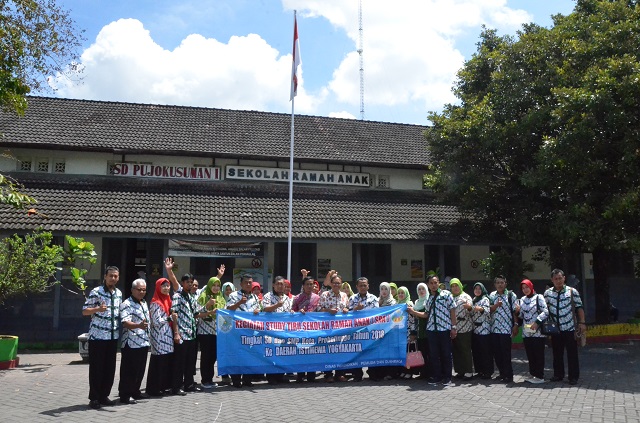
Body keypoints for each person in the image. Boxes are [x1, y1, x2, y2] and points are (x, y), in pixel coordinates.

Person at [82, 265, 122, 409]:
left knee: (109, 368)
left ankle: (104, 395)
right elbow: (85, 311)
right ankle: (94, 398)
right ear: (105, 276)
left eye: (115, 276)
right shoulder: (96, 292)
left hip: (112, 336)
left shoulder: (118, 293)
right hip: (98, 337)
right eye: (110, 275)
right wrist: (98, 309)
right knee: (96, 369)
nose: (113, 278)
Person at [408, 275, 457, 385]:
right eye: (431, 283)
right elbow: (426, 314)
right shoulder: (429, 298)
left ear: (438, 283)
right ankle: (437, 376)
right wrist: (413, 312)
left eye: (435, 282)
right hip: (431, 330)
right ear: (428, 285)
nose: (434, 285)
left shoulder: (446, 295)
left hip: (444, 329)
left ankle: (447, 377)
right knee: (434, 355)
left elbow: (452, 310)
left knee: (446, 354)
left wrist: (454, 327)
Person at [544, 269, 586, 385]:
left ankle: (573, 377)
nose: (558, 281)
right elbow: (544, 309)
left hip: (569, 327)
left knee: (572, 353)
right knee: (557, 353)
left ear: (564, 278)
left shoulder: (572, 292)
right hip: (555, 328)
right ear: (552, 280)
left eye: (560, 278)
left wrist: (582, 323)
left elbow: (579, 307)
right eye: (555, 279)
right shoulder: (548, 293)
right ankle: (558, 374)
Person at [118, 278, 150, 404]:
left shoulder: (143, 303)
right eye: (139, 290)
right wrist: (138, 325)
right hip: (131, 343)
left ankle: (135, 391)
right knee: (129, 371)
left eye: (144, 290)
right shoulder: (126, 304)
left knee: (140, 369)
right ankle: (125, 395)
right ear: (132, 290)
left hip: (143, 342)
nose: (142, 292)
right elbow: (125, 323)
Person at [226, 274, 261, 388]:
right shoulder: (234, 295)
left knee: (249, 355)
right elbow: (228, 309)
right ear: (240, 284)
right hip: (236, 332)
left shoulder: (255, 297)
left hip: (250, 331)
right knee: (237, 355)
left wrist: (257, 310)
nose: (248, 284)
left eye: (250, 282)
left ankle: (247, 379)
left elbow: (259, 309)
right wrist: (239, 303)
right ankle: (236, 380)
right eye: (246, 282)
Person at [196, 266, 226, 389]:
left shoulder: (221, 297)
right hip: (204, 332)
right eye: (214, 285)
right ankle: (205, 380)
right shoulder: (203, 295)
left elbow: (226, 312)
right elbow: (197, 313)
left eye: (218, 286)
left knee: (213, 356)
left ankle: (210, 379)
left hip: (216, 332)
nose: (216, 288)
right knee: (206, 356)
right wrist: (208, 307)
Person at [146, 274, 174, 397]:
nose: (166, 288)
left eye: (168, 286)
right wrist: (169, 318)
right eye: (163, 286)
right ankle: (154, 388)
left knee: (166, 362)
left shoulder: (169, 301)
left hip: (168, 336)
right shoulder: (155, 302)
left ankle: (163, 386)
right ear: (158, 287)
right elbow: (156, 321)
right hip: (159, 336)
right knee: (158, 362)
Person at [261, 276, 293, 384]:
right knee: (272, 353)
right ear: (273, 285)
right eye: (278, 284)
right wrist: (277, 305)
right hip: (271, 330)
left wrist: (292, 312)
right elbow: (265, 309)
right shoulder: (267, 296)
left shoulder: (287, 298)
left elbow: (288, 311)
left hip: (284, 331)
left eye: (282, 284)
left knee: (282, 353)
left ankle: (280, 376)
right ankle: (271, 377)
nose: (280, 286)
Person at [319, 273, 350, 382]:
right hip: (328, 328)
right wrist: (328, 311)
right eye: (334, 283)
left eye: (338, 283)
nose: (336, 285)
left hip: (341, 328)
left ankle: (340, 373)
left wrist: (346, 310)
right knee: (328, 351)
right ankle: (328, 374)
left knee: (340, 351)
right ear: (331, 284)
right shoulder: (325, 295)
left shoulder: (344, 295)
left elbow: (347, 308)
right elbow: (319, 310)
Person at [347, 277, 379, 381]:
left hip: (370, 330)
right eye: (361, 285)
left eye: (365, 285)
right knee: (357, 351)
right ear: (357, 287)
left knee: (371, 351)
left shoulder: (374, 298)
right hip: (357, 330)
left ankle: (373, 373)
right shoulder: (352, 298)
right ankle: (357, 374)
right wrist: (356, 309)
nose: (363, 287)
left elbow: (377, 314)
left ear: (368, 286)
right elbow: (347, 315)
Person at [489, 275, 519, 383]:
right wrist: (496, 305)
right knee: (497, 353)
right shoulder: (492, 295)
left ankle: (508, 375)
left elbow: (515, 311)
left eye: (502, 282)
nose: (500, 284)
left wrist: (515, 324)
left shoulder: (511, 295)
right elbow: (489, 310)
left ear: (505, 284)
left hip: (506, 329)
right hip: (494, 328)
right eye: (498, 283)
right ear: (495, 284)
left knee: (506, 353)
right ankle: (502, 373)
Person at [292, 276, 321, 383]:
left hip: (314, 329)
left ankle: (311, 375)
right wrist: (298, 312)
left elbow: (321, 312)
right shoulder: (297, 298)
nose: (310, 286)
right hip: (300, 330)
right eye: (307, 284)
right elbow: (292, 312)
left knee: (312, 352)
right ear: (303, 286)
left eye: (311, 284)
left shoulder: (318, 298)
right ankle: (300, 375)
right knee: (301, 352)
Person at [519, 279, 548, 384]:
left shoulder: (539, 297)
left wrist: (537, 322)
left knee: (538, 353)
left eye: (527, 287)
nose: (525, 290)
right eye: (523, 288)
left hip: (537, 330)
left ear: (531, 287)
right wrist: (517, 312)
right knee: (530, 354)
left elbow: (545, 311)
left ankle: (540, 376)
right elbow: (521, 315)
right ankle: (533, 374)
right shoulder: (522, 299)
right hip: (526, 331)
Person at [450, 278, 474, 381]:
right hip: (454, 328)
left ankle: (468, 371)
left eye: (456, 286)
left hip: (465, 327)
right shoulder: (450, 297)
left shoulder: (465, 296)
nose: (455, 288)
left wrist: (468, 307)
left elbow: (471, 310)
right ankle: (460, 370)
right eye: (452, 286)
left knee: (465, 350)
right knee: (456, 350)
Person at [470, 282, 493, 380]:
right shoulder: (473, 299)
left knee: (485, 352)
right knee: (477, 351)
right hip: (475, 330)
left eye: (479, 289)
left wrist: (478, 309)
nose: (477, 291)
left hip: (484, 329)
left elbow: (487, 311)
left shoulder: (485, 299)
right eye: (476, 289)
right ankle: (479, 370)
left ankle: (487, 371)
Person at [409, 282, 431, 380]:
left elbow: (426, 315)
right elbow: (414, 318)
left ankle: (430, 373)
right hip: (418, 331)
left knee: (428, 353)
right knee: (421, 353)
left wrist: (413, 312)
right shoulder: (417, 302)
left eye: (423, 289)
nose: (421, 291)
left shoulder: (428, 300)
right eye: (419, 289)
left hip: (427, 330)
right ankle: (423, 373)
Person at [396, 286, 416, 379]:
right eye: (399, 293)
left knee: (409, 352)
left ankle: (409, 371)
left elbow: (412, 320)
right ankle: (403, 371)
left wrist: (413, 332)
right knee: (402, 353)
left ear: (406, 294)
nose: (400, 295)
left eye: (402, 293)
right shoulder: (397, 304)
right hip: (400, 333)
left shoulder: (409, 304)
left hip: (408, 332)